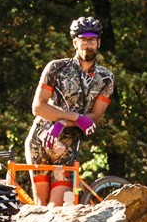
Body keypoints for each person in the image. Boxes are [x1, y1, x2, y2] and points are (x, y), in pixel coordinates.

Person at [26, 15, 116, 206]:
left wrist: (64, 122)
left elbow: (94, 117)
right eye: (83, 40)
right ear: (75, 42)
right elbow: (38, 107)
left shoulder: (106, 78)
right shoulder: (56, 68)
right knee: (41, 207)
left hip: (67, 146)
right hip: (41, 141)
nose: (88, 45)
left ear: (98, 43)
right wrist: (74, 116)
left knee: (56, 208)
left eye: (92, 40)